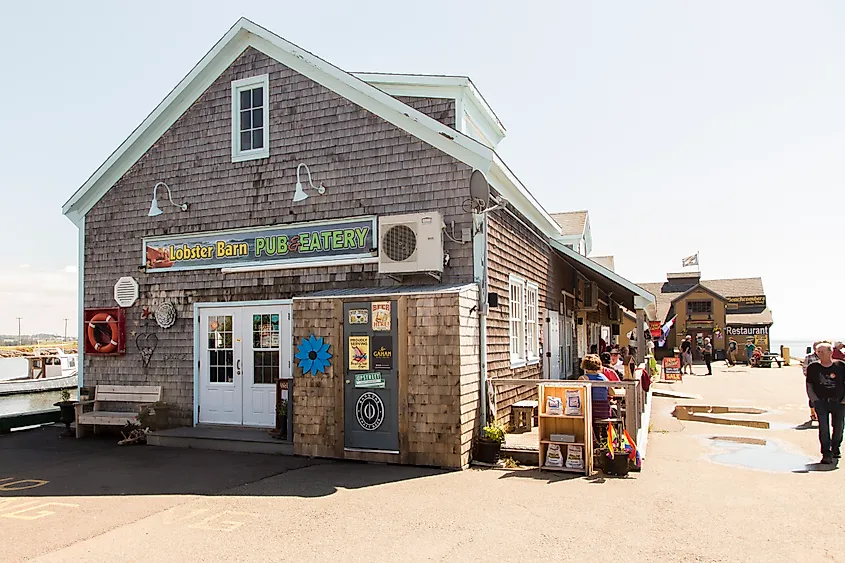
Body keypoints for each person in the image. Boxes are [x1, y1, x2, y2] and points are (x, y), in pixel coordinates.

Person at [805, 342, 845, 464]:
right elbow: (809, 385)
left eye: (823, 352)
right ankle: (826, 453)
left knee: (838, 427)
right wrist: (814, 400)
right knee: (823, 428)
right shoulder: (813, 367)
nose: (820, 354)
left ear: (830, 352)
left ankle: (836, 447)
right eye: (818, 352)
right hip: (821, 402)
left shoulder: (840, 366)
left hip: (839, 402)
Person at [579, 354, 615, 421]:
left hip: (589, 411)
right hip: (604, 411)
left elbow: (579, 395)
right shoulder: (604, 378)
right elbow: (612, 393)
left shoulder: (583, 378)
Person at [803, 342, 822, 424]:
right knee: (812, 397)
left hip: (823, 381)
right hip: (812, 381)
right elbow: (805, 369)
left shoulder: (826, 357)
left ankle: (820, 413)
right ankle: (813, 413)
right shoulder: (809, 357)